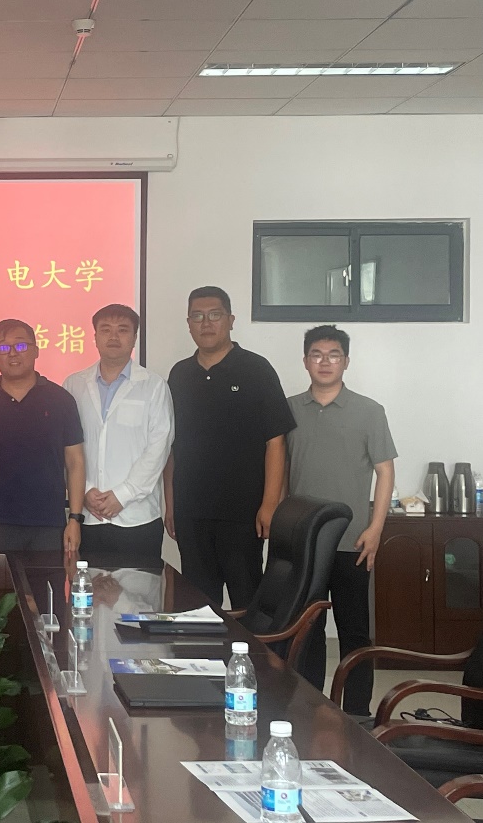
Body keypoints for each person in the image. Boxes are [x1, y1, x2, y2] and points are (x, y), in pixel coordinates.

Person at [287, 325, 396, 716]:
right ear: (305, 361)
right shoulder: (288, 410)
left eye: (333, 355)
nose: (325, 362)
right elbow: (278, 470)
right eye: (317, 354)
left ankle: (357, 714)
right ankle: (308, 706)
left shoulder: (369, 411)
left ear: (346, 362)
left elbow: (385, 471)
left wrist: (376, 528)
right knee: (307, 629)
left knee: (354, 631)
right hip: (303, 542)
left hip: (353, 540)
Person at [164, 286, 295, 608]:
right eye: (197, 316)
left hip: (243, 512)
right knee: (197, 603)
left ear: (231, 320)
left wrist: (270, 505)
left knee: (246, 600)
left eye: (215, 315)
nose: (206, 323)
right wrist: (171, 503)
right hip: (191, 511)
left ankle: (247, 646)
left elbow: (276, 441)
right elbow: (170, 446)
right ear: (188, 323)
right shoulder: (179, 374)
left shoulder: (256, 369)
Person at [63, 304, 173, 564]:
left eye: (122, 330)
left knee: (141, 588)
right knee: (86, 587)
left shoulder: (154, 386)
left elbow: (159, 448)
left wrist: (123, 495)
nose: (113, 337)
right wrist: (85, 491)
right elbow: (65, 449)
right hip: (86, 517)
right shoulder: (73, 385)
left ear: (134, 338)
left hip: (137, 517)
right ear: (95, 337)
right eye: (106, 330)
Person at [0, 319, 84, 555]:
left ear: (36, 350)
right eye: (3, 347)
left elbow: (75, 462)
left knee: (49, 581)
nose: (12, 353)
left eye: (20, 345)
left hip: (48, 523)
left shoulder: (61, 400)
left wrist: (75, 518)